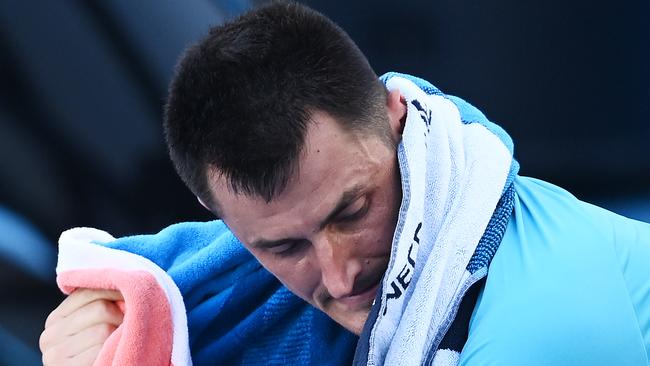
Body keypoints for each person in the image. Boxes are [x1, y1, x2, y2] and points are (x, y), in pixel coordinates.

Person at [40, 2, 650, 365]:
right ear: (218, 217)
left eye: (353, 210)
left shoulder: (535, 333)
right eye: (284, 248)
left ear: (395, 119)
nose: (338, 276)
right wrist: (135, 330)